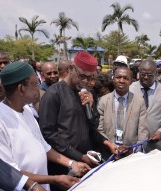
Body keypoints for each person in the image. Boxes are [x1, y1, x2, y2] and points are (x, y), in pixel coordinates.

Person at [0, 61, 91, 191]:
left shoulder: (26, 110)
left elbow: (44, 147)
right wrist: (55, 179)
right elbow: (10, 174)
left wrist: (72, 163)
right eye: (35, 84)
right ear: (21, 88)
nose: (38, 89)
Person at [38, 52, 118, 190]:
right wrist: (78, 156)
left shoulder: (88, 92)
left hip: (85, 161)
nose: (86, 81)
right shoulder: (53, 94)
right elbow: (48, 134)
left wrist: (92, 108)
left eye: (90, 77)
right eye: (82, 76)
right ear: (71, 69)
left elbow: (92, 127)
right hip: (62, 164)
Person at [130, 59, 161, 152]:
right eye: (143, 74)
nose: (146, 77)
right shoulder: (130, 89)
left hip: (156, 146)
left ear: (156, 74)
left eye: (149, 75)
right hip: (132, 145)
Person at [97, 67, 149, 150]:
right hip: (108, 150)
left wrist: (134, 151)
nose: (121, 81)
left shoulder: (139, 102)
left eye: (126, 78)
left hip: (131, 152)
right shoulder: (103, 101)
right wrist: (110, 146)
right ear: (113, 79)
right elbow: (99, 129)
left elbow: (143, 132)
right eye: (118, 77)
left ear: (131, 81)